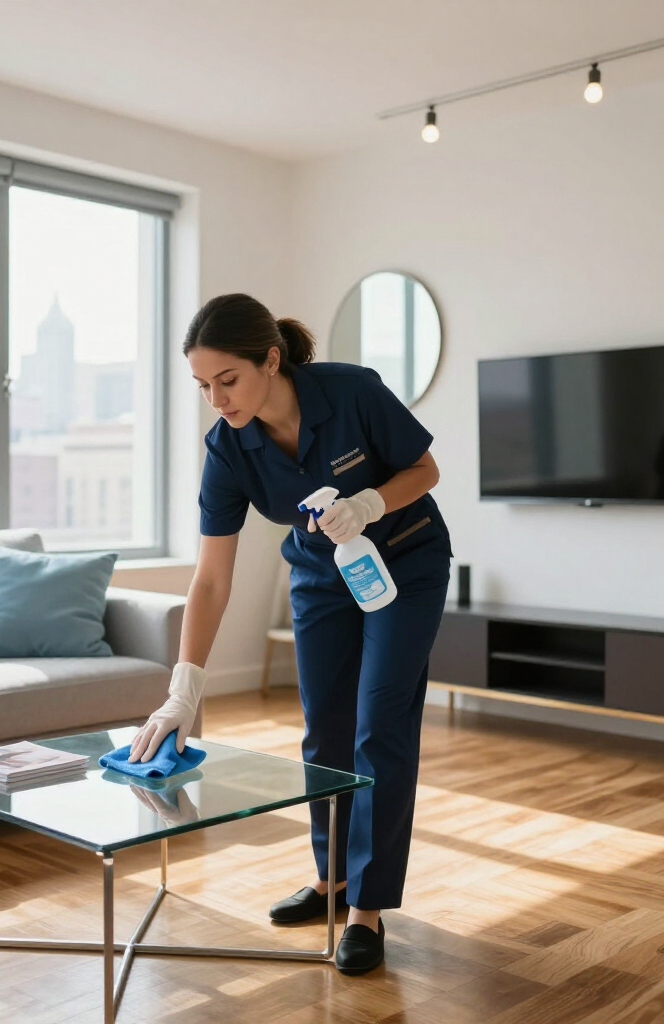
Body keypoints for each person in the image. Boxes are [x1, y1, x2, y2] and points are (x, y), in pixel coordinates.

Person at [130, 293, 452, 975]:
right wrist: (182, 689)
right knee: (325, 730)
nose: (217, 400)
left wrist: (369, 502)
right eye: (203, 386)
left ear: (270, 360)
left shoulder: (351, 392)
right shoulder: (228, 448)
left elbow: (425, 470)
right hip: (321, 575)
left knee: (379, 722)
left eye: (228, 380)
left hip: (407, 561)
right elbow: (212, 579)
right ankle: (332, 881)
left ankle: (365, 908)